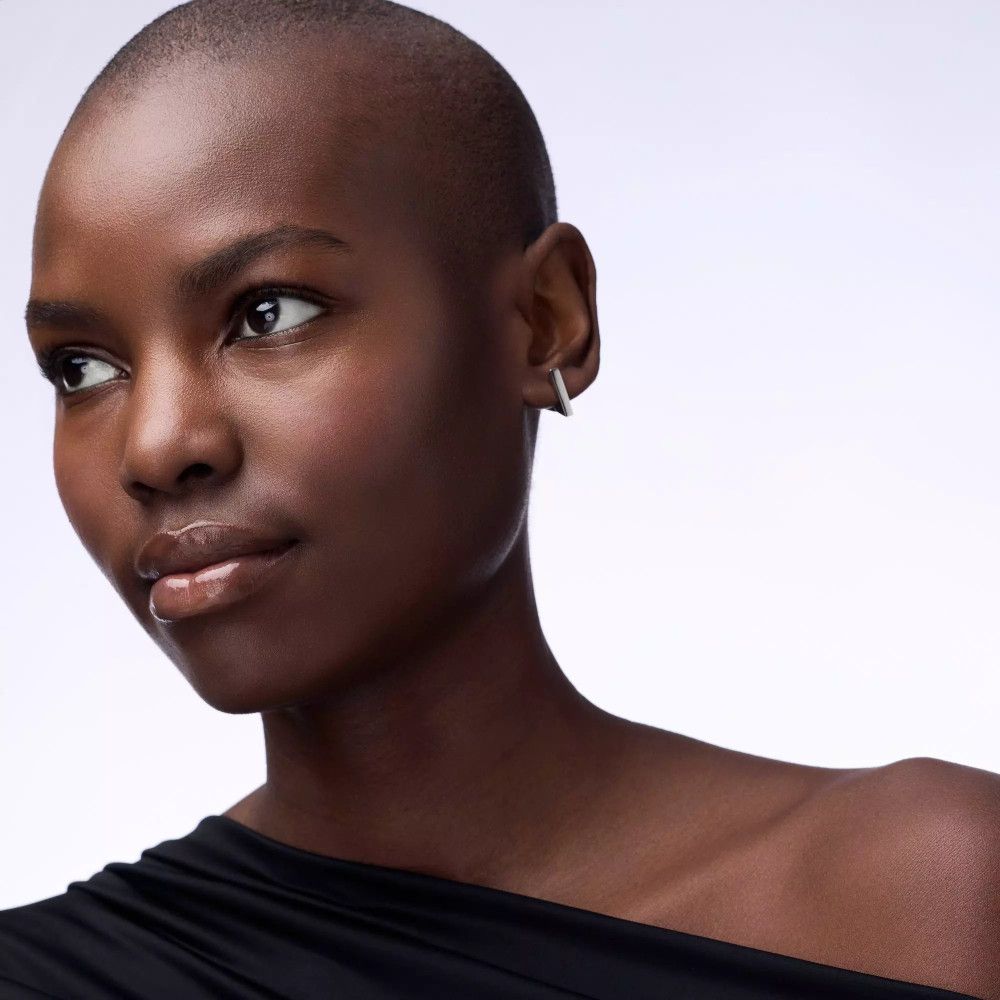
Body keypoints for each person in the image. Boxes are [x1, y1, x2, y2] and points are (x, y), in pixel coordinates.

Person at [3, 0, 997, 997]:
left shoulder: (929, 895)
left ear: (544, 322)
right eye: (82, 368)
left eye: (268, 313)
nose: (158, 443)